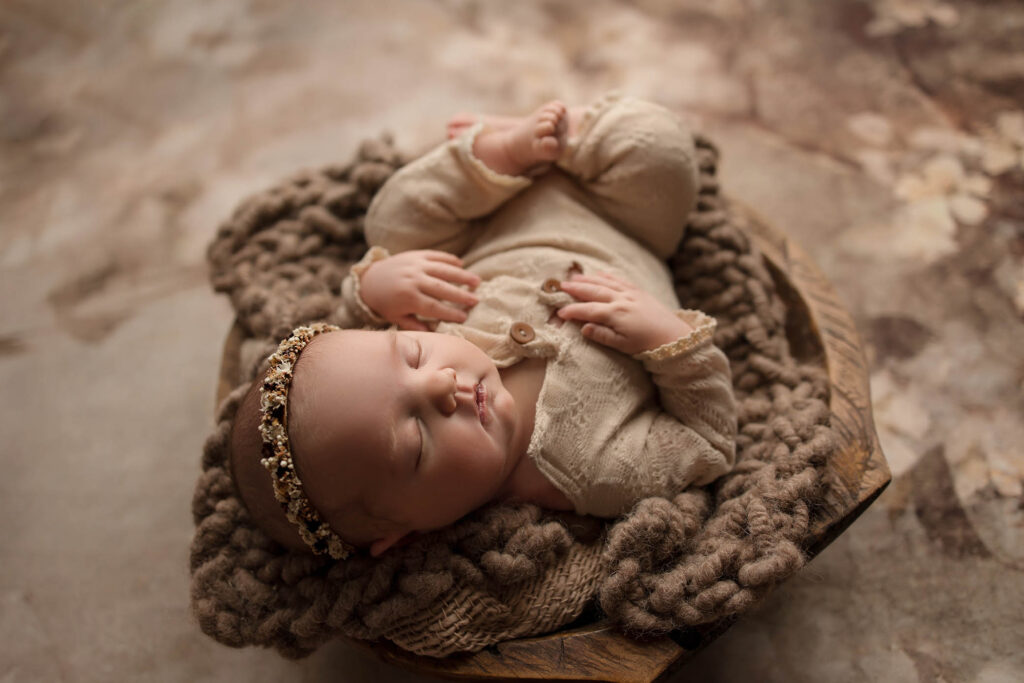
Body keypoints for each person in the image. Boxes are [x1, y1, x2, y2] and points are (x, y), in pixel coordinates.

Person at [229, 94, 737, 561]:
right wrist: (665, 339)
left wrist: (374, 286)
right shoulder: (592, 474)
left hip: (501, 216)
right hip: (626, 222)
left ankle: (505, 152)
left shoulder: (428, 326)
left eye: (410, 354)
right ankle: (561, 141)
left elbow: (354, 325)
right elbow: (705, 442)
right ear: (407, 533)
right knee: (658, 145)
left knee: (391, 227)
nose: (440, 383)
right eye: (417, 440)